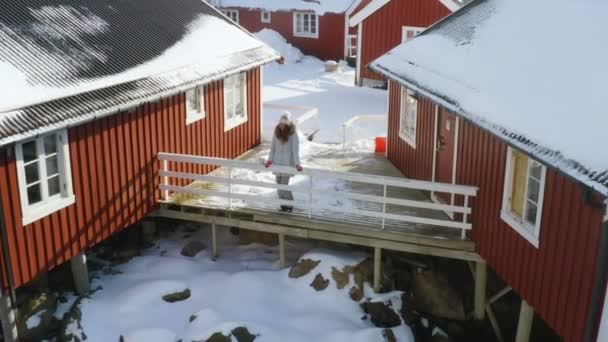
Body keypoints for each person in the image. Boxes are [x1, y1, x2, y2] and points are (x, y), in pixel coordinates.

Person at [264, 112, 302, 212]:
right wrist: (269, 160)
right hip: (277, 163)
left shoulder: (293, 134)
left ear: (288, 124)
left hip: (287, 164)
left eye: (284, 124)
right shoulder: (276, 132)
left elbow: (295, 150)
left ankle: (290, 203)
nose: (281, 125)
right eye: (281, 123)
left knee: (283, 186)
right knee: (278, 185)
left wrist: (297, 163)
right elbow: (273, 148)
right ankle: (283, 205)